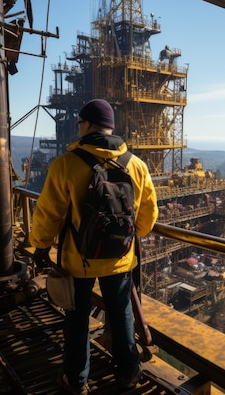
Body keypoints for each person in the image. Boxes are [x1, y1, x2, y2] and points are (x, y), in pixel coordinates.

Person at [30, 99, 158, 395]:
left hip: (79, 260)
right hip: (120, 258)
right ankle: (128, 373)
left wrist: (40, 245)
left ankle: (76, 380)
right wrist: (128, 236)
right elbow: (149, 216)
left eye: (79, 123)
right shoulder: (136, 166)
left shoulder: (65, 164)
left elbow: (48, 213)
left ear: (86, 125)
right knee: (121, 313)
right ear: (111, 127)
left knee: (77, 318)